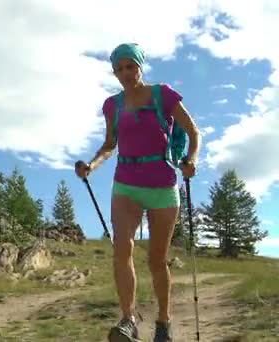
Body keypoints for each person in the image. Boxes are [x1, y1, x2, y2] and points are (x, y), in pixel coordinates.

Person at [75, 43, 200, 342]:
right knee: (122, 248)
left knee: (157, 260)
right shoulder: (112, 105)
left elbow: (194, 131)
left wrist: (191, 160)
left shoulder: (163, 95)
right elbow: (109, 145)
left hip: (163, 186)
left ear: (141, 66)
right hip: (126, 184)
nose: (126, 73)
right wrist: (92, 165)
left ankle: (163, 323)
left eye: (131, 66)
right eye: (120, 68)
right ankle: (128, 319)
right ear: (115, 72)